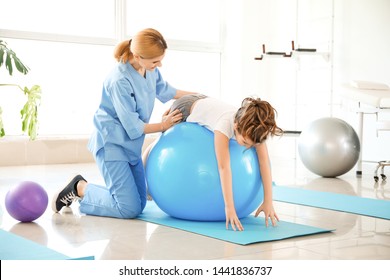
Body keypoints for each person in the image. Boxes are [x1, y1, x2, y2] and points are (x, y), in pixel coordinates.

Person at [51, 28, 197, 219]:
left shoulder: (149, 70)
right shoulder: (119, 80)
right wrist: (163, 125)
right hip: (111, 144)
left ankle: (88, 190)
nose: (159, 64)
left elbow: (168, 91)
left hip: (130, 146)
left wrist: (199, 97)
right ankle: (79, 188)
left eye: (161, 59)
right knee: (128, 209)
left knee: (140, 202)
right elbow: (133, 126)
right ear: (137, 55)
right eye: (155, 61)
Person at [143, 94, 283, 231]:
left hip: (205, 103)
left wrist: (268, 201)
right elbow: (224, 167)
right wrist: (229, 208)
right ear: (236, 126)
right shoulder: (224, 126)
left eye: (251, 145)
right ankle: (146, 155)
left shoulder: (254, 130)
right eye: (245, 142)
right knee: (163, 135)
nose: (247, 147)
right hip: (186, 107)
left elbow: (264, 163)